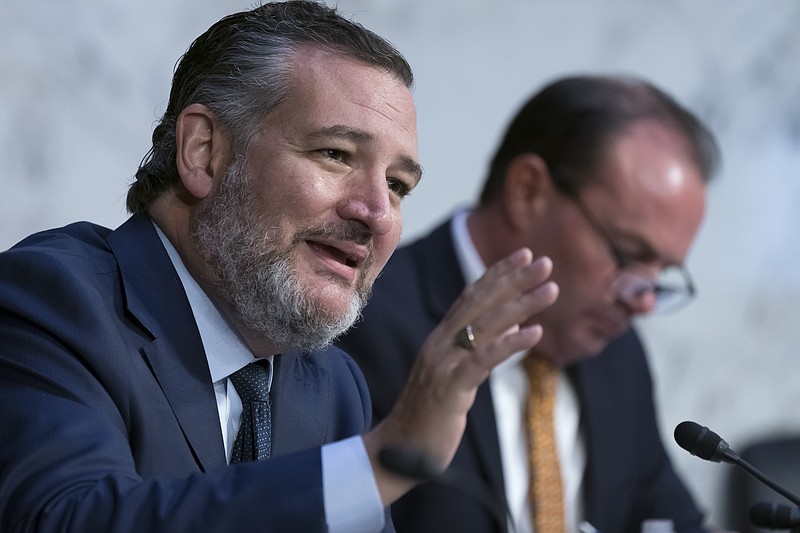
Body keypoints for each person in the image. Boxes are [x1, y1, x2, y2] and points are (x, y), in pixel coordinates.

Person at [0, 2, 559, 532]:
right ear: (203, 151)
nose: (376, 213)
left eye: (397, 185)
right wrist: (381, 463)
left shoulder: (333, 386)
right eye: (335, 154)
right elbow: (69, 519)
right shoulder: (51, 300)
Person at [337, 74, 721, 533]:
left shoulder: (617, 354)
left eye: (663, 274)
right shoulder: (362, 320)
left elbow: (668, 516)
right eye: (628, 255)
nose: (642, 301)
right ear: (527, 191)